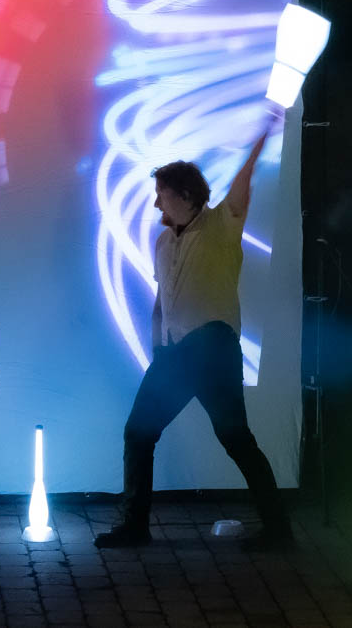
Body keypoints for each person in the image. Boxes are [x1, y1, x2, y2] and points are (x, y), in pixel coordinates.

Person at [95, 117, 291, 549]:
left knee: (232, 438)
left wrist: (264, 134)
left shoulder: (221, 225)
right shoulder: (163, 243)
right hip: (177, 353)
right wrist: (158, 348)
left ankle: (278, 530)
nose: (155, 204)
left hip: (213, 347)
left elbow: (243, 182)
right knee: (145, 433)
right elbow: (162, 299)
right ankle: (136, 526)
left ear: (185, 196)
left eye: (161, 194)